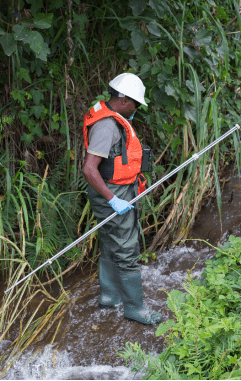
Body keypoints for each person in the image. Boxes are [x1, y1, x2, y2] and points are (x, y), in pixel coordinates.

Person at [82, 73, 161, 325]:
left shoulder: (112, 117)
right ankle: (135, 309)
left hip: (113, 189)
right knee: (127, 250)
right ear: (124, 101)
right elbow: (89, 169)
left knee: (108, 241)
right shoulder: (106, 126)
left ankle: (109, 295)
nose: (137, 108)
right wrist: (113, 200)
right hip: (111, 193)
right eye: (136, 103)